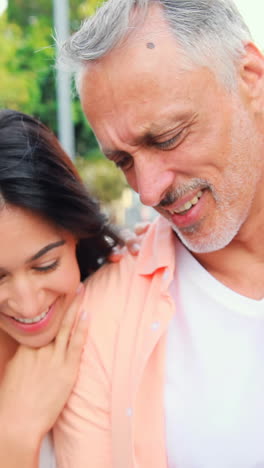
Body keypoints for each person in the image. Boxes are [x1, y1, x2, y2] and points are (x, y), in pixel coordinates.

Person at [54, 0, 264, 467]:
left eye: (167, 137)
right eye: (123, 161)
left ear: (250, 76)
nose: (148, 192)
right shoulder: (98, 320)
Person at [0, 109, 143, 468]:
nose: (27, 304)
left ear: (79, 232)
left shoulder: (125, 308)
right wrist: (15, 437)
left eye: (46, 264)